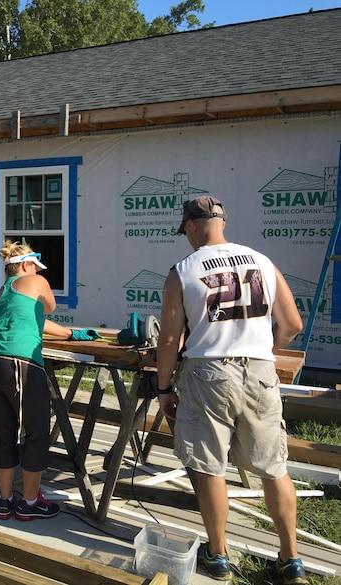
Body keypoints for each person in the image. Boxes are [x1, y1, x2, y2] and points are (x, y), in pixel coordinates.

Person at [156, 196, 306, 583]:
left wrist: (163, 388)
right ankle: (291, 560)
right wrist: (261, 351)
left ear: (190, 226)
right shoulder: (261, 261)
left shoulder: (184, 270)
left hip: (208, 373)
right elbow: (291, 324)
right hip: (259, 372)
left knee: (209, 467)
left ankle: (218, 556)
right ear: (223, 222)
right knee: (274, 469)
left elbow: (170, 340)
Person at [0, 240, 96, 522]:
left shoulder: (1, 293)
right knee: (37, 432)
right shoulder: (35, 280)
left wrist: (69, 334)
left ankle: (5, 501)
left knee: (4, 433)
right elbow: (49, 307)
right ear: (27, 266)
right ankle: (29, 502)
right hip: (18, 362)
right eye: (36, 267)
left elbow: (33, 320)